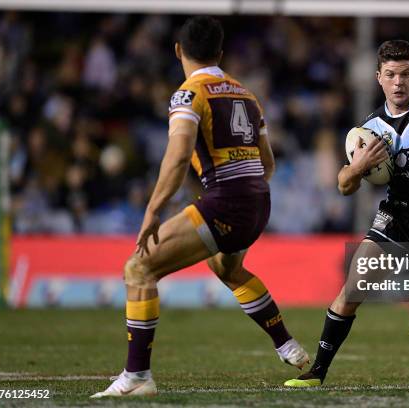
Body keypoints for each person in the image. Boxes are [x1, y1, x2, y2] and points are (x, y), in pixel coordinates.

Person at [91, 16, 308, 398]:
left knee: (139, 268)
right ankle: (287, 344)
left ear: (178, 51)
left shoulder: (188, 94)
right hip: (258, 201)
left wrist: (152, 210)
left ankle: (138, 376)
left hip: (227, 201)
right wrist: (245, 194)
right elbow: (268, 162)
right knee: (227, 269)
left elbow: (176, 159)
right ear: (220, 54)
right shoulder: (245, 93)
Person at [284, 39, 409, 387]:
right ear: (379, 77)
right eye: (391, 74)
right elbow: (344, 186)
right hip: (395, 218)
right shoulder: (370, 129)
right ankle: (317, 372)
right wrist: (356, 167)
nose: (399, 82)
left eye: (406, 74)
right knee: (353, 287)